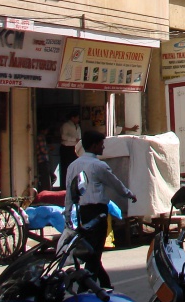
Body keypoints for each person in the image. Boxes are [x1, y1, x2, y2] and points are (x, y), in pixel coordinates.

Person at [63, 130, 136, 288]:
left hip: (82, 213)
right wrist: (129, 194)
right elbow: (115, 184)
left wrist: (67, 213)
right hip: (98, 213)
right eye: (101, 144)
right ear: (94, 145)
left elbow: (69, 192)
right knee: (94, 252)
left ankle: (105, 284)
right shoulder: (98, 165)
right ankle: (86, 287)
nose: (103, 147)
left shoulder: (73, 166)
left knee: (92, 251)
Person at [59, 109, 81, 187]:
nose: (78, 119)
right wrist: (74, 139)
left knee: (75, 167)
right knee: (66, 167)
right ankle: (65, 185)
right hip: (67, 148)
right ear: (72, 118)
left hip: (75, 148)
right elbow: (63, 136)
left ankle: (74, 185)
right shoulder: (66, 125)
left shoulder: (78, 126)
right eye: (77, 117)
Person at [36, 126, 52, 192]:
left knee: (45, 178)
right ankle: (46, 192)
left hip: (41, 161)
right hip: (43, 160)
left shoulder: (38, 137)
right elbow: (43, 150)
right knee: (46, 180)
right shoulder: (41, 137)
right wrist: (50, 149)